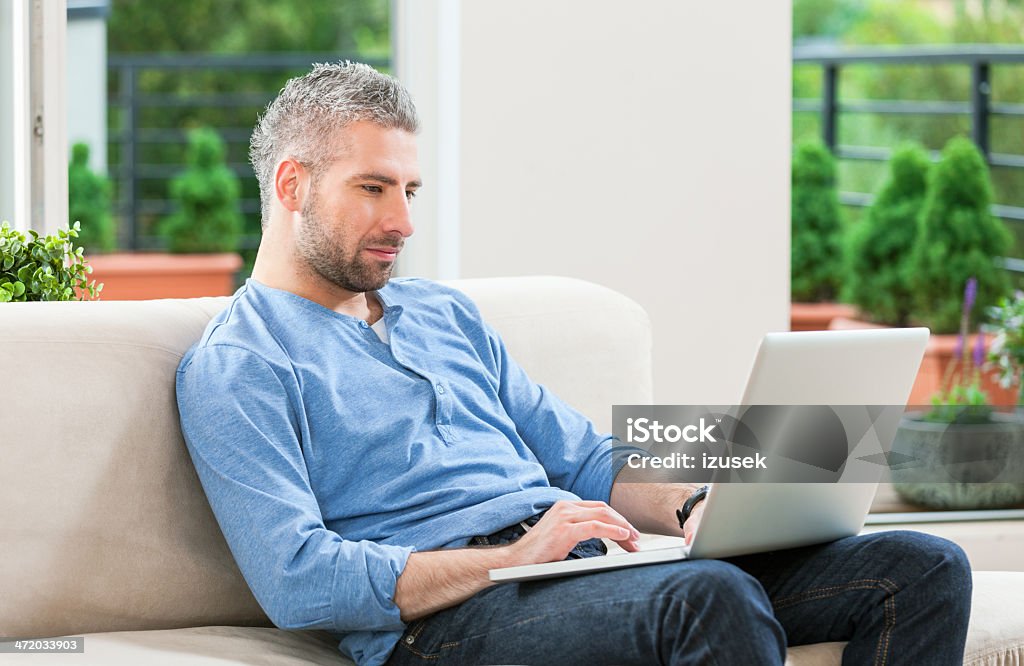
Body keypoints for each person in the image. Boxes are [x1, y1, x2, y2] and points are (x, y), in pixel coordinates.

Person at [176, 62, 973, 666]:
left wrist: (695, 502)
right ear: (292, 184)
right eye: (374, 188)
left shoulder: (441, 313)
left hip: (574, 572)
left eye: (412, 189)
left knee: (923, 564)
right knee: (706, 597)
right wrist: (508, 560)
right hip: (442, 625)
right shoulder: (239, 365)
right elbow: (297, 579)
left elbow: (587, 457)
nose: (403, 221)